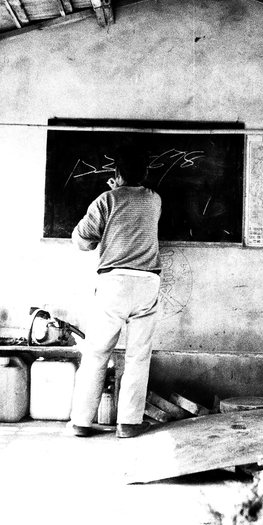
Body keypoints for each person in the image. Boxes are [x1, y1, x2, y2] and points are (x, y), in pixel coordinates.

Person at [70, 143, 162, 438]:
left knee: (96, 353)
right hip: (147, 282)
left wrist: (112, 194)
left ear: (116, 172)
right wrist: (121, 190)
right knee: (138, 356)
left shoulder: (105, 200)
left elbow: (82, 241)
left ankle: (81, 422)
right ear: (145, 173)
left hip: (114, 283)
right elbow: (133, 204)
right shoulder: (155, 200)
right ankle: (128, 423)